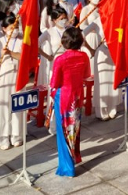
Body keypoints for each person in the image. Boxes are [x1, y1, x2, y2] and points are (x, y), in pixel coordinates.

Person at [50, 26, 91, 177]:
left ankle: (67, 167)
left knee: (63, 133)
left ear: (64, 42)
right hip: (77, 96)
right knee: (75, 130)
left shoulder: (60, 59)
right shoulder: (84, 56)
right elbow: (86, 75)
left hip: (63, 97)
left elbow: (54, 83)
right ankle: (75, 156)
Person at [0, 13, 23, 149]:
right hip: (3, 77)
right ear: (3, 29)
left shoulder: (22, 40)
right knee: (3, 107)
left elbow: (23, 57)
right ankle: (3, 137)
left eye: (16, 27)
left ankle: (17, 135)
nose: (14, 30)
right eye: (11, 28)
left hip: (18, 76)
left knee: (17, 106)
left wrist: (10, 53)